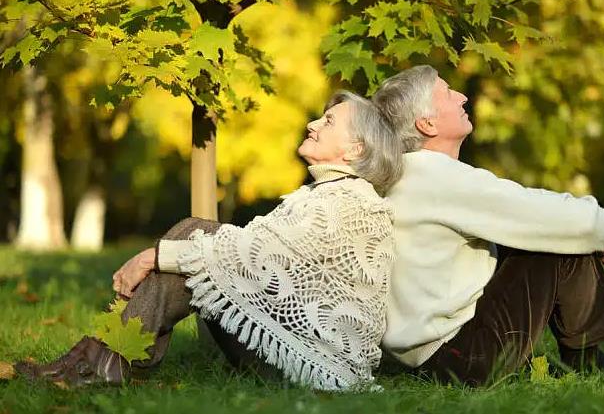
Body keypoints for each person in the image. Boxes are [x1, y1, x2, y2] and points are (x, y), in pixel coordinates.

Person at [15, 91, 403, 391]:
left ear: (356, 149)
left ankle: (102, 361)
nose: (313, 123)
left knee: (197, 240)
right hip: (301, 352)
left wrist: (154, 256)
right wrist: (164, 255)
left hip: (318, 367)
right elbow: (255, 247)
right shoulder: (330, 195)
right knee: (199, 236)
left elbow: (251, 252)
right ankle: (102, 360)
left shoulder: (349, 204)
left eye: (329, 121)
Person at [372, 65, 604, 385]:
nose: (462, 97)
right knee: (555, 231)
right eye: (448, 93)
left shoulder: (408, 176)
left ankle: (585, 359)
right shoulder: (439, 179)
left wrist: (597, 233)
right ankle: (587, 361)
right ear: (427, 123)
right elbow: (541, 213)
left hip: (434, 357)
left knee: (549, 229)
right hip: (461, 361)